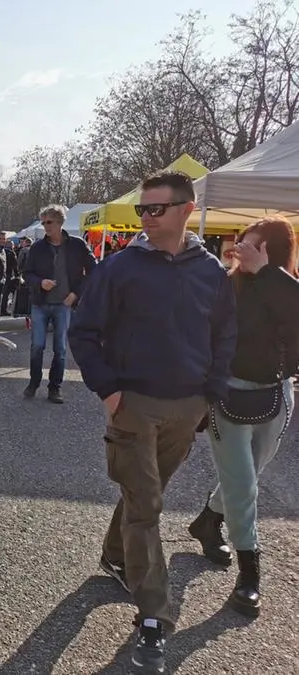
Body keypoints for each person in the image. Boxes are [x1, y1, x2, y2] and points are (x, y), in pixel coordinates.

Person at [68, 170, 237, 673]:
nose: (146, 217)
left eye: (155, 208)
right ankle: (154, 618)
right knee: (148, 506)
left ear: (187, 209)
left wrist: (211, 395)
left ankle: (116, 555)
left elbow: (225, 336)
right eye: (142, 210)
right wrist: (110, 390)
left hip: (186, 408)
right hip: (134, 406)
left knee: (147, 492)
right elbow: (83, 331)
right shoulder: (121, 268)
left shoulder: (210, 272)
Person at [186, 216, 298, 618]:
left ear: (274, 252)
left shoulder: (286, 287)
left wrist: (268, 274)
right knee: (243, 483)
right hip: (227, 392)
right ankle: (249, 573)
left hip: (276, 394)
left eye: (254, 245)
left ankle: (207, 520)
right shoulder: (226, 285)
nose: (241, 251)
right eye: (241, 244)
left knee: (248, 474)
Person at [22, 205, 96, 403]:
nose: (45, 226)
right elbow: (26, 274)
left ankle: (55, 387)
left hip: (64, 305)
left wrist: (76, 294)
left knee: (60, 349)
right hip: (40, 304)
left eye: (49, 222)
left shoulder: (77, 245)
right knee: (37, 346)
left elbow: (93, 271)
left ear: (60, 222)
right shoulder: (37, 247)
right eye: (43, 222)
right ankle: (34, 381)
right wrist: (40, 282)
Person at [0, 237, 19, 316]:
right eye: (13, 245)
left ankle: (3, 310)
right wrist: (17, 275)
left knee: (4, 294)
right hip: (10, 276)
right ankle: (13, 309)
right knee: (12, 293)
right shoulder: (11, 253)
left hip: (3, 275)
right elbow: (15, 265)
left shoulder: (2, 252)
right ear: (11, 246)